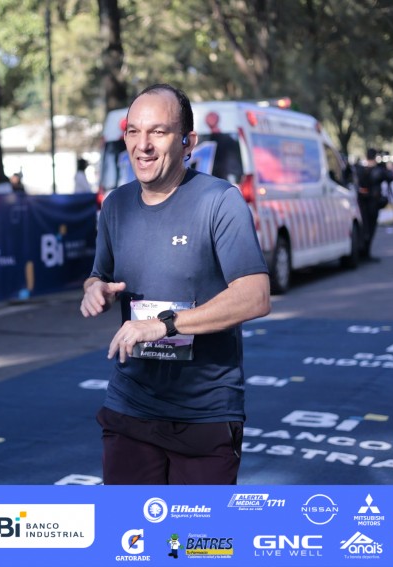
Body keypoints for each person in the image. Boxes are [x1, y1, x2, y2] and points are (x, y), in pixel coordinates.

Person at [80, 84, 271, 484]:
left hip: (204, 414)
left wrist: (165, 324)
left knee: (198, 529)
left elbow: (254, 297)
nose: (143, 145)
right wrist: (94, 289)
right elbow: (100, 274)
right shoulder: (115, 205)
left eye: (159, 131)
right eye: (134, 131)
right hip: (130, 405)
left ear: (188, 142)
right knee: (126, 525)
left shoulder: (220, 201)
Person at [354, 148, 393, 260]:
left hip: (362, 202)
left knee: (364, 226)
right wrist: (386, 167)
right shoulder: (378, 170)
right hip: (372, 202)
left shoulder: (359, 168)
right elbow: (390, 177)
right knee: (370, 227)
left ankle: (363, 251)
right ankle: (365, 251)